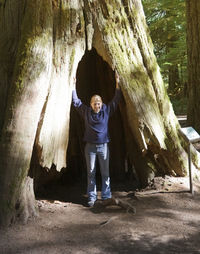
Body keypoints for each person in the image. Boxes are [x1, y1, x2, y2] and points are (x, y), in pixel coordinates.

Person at [72, 72, 122, 207]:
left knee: (105, 173)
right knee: (91, 173)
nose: (97, 105)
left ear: (101, 103)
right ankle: (92, 197)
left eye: (98, 103)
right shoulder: (86, 112)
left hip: (103, 146)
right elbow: (76, 103)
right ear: (91, 104)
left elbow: (116, 99)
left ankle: (106, 196)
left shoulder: (106, 110)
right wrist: (73, 85)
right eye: (95, 103)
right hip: (90, 147)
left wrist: (117, 83)